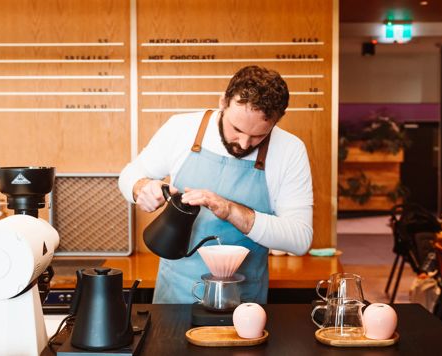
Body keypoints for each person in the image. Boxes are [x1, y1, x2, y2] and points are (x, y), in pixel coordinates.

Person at [118, 65, 313, 304]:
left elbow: (300, 239)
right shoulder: (181, 128)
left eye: (258, 136)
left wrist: (230, 210)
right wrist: (141, 187)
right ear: (223, 102)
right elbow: (129, 174)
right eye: (237, 129)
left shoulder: (290, 150)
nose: (243, 143)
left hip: (243, 302)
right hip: (174, 296)